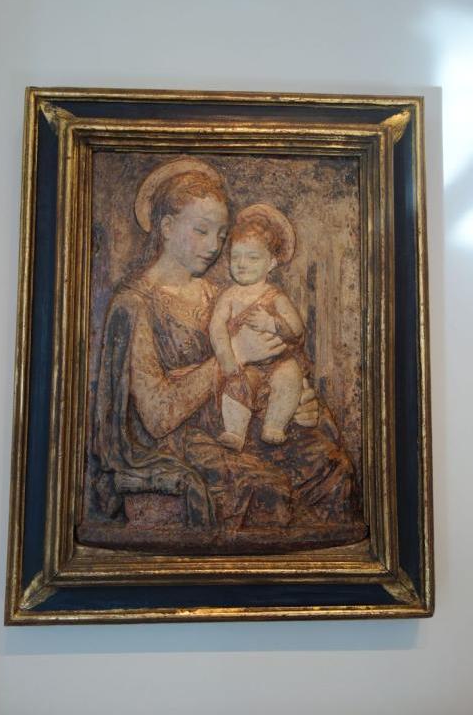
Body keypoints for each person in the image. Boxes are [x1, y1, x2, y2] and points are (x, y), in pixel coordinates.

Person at [89, 156, 362, 551]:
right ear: (166, 227)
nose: (214, 246)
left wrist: (294, 401)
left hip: (242, 420)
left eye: (220, 235)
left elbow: (269, 363)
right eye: (201, 231)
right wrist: (233, 354)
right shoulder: (134, 305)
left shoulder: (222, 296)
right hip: (181, 440)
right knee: (266, 487)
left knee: (331, 464)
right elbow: (158, 416)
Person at [210, 203, 307, 450]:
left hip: (278, 362)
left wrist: (272, 323)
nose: (242, 264)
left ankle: (274, 425)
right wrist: (227, 358)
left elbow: (296, 328)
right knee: (235, 387)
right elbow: (216, 327)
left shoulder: (275, 296)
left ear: (271, 262)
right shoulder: (229, 296)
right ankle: (235, 432)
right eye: (236, 257)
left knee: (290, 377)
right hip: (246, 365)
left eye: (252, 258)